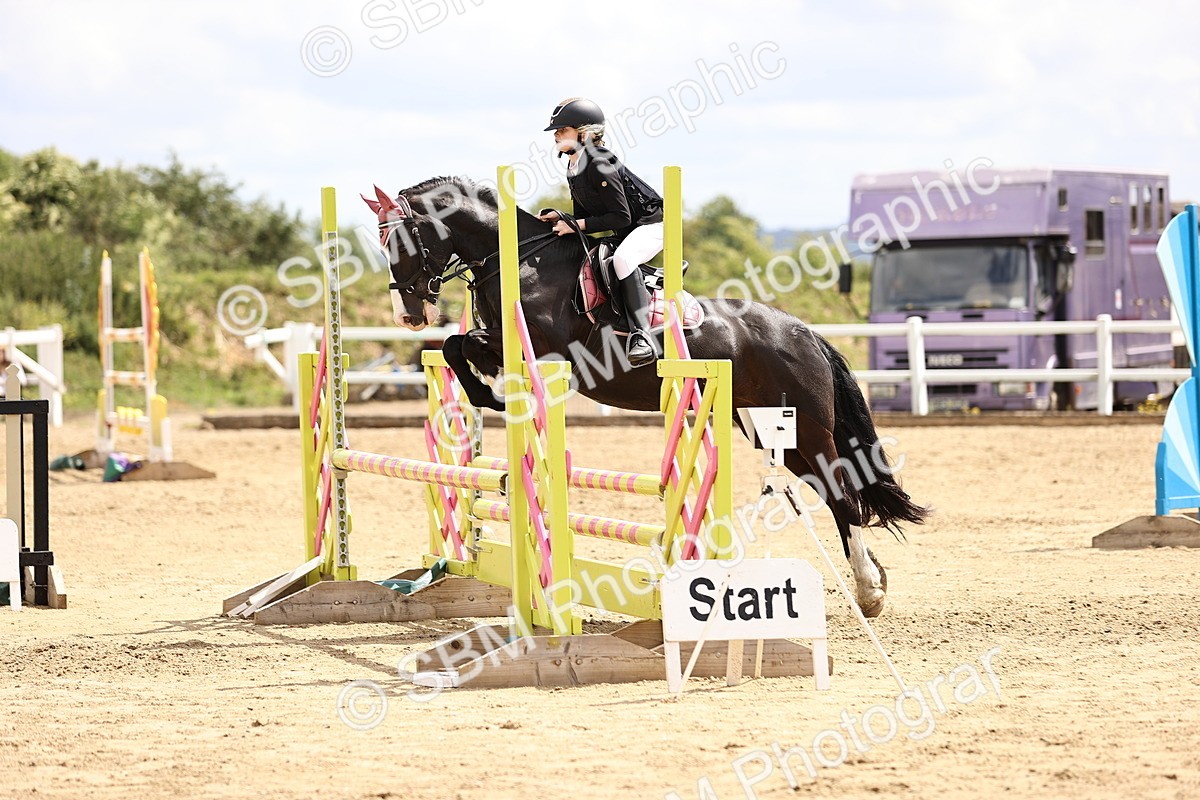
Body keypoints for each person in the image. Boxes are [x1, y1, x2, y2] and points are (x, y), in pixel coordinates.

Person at [537, 97, 664, 367]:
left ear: (584, 132)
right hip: (627, 228)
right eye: (556, 131)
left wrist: (577, 224)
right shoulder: (573, 164)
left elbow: (620, 216)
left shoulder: (599, 161)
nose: (557, 136)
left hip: (651, 225)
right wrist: (562, 219)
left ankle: (642, 336)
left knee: (622, 260)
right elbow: (586, 218)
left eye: (563, 130)